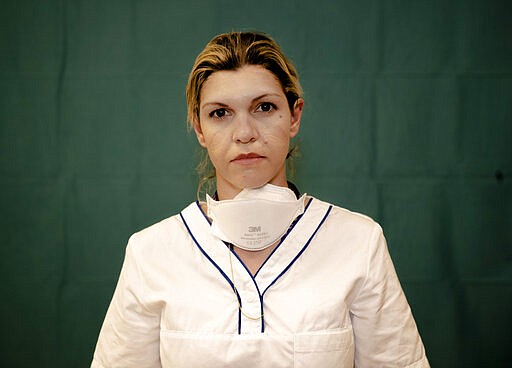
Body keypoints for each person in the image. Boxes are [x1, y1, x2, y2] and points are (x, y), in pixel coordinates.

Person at [91, 31, 430, 368]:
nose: (244, 133)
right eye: (220, 113)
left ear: (294, 115)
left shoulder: (358, 243)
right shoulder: (151, 253)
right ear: (198, 127)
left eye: (264, 107)